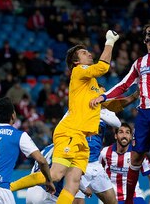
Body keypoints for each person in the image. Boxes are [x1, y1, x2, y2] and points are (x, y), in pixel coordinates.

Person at [10, 30, 119, 204]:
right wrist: (110, 41)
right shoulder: (79, 71)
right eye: (84, 53)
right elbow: (103, 67)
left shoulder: (93, 87)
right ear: (76, 62)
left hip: (83, 139)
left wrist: (133, 96)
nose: (89, 53)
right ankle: (10, 187)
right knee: (55, 174)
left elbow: (113, 105)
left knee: (73, 184)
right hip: (70, 131)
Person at [90, 23, 150, 204]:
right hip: (144, 114)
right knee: (136, 157)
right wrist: (104, 96)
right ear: (145, 40)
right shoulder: (139, 63)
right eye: (149, 36)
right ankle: (130, 201)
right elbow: (124, 85)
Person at [74, 86, 140, 204]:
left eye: (105, 93)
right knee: (78, 202)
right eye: (102, 92)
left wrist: (97, 110)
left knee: (112, 202)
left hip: (94, 164)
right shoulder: (78, 107)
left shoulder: (105, 111)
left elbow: (117, 123)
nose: (104, 95)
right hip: (79, 164)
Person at [100, 123, 150, 204]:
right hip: (113, 199)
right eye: (121, 132)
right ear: (115, 136)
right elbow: (96, 170)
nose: (124, 135)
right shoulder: (105, 152)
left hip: (135, 197)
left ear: (130, 137)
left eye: (127, 132)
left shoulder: (137, 154)